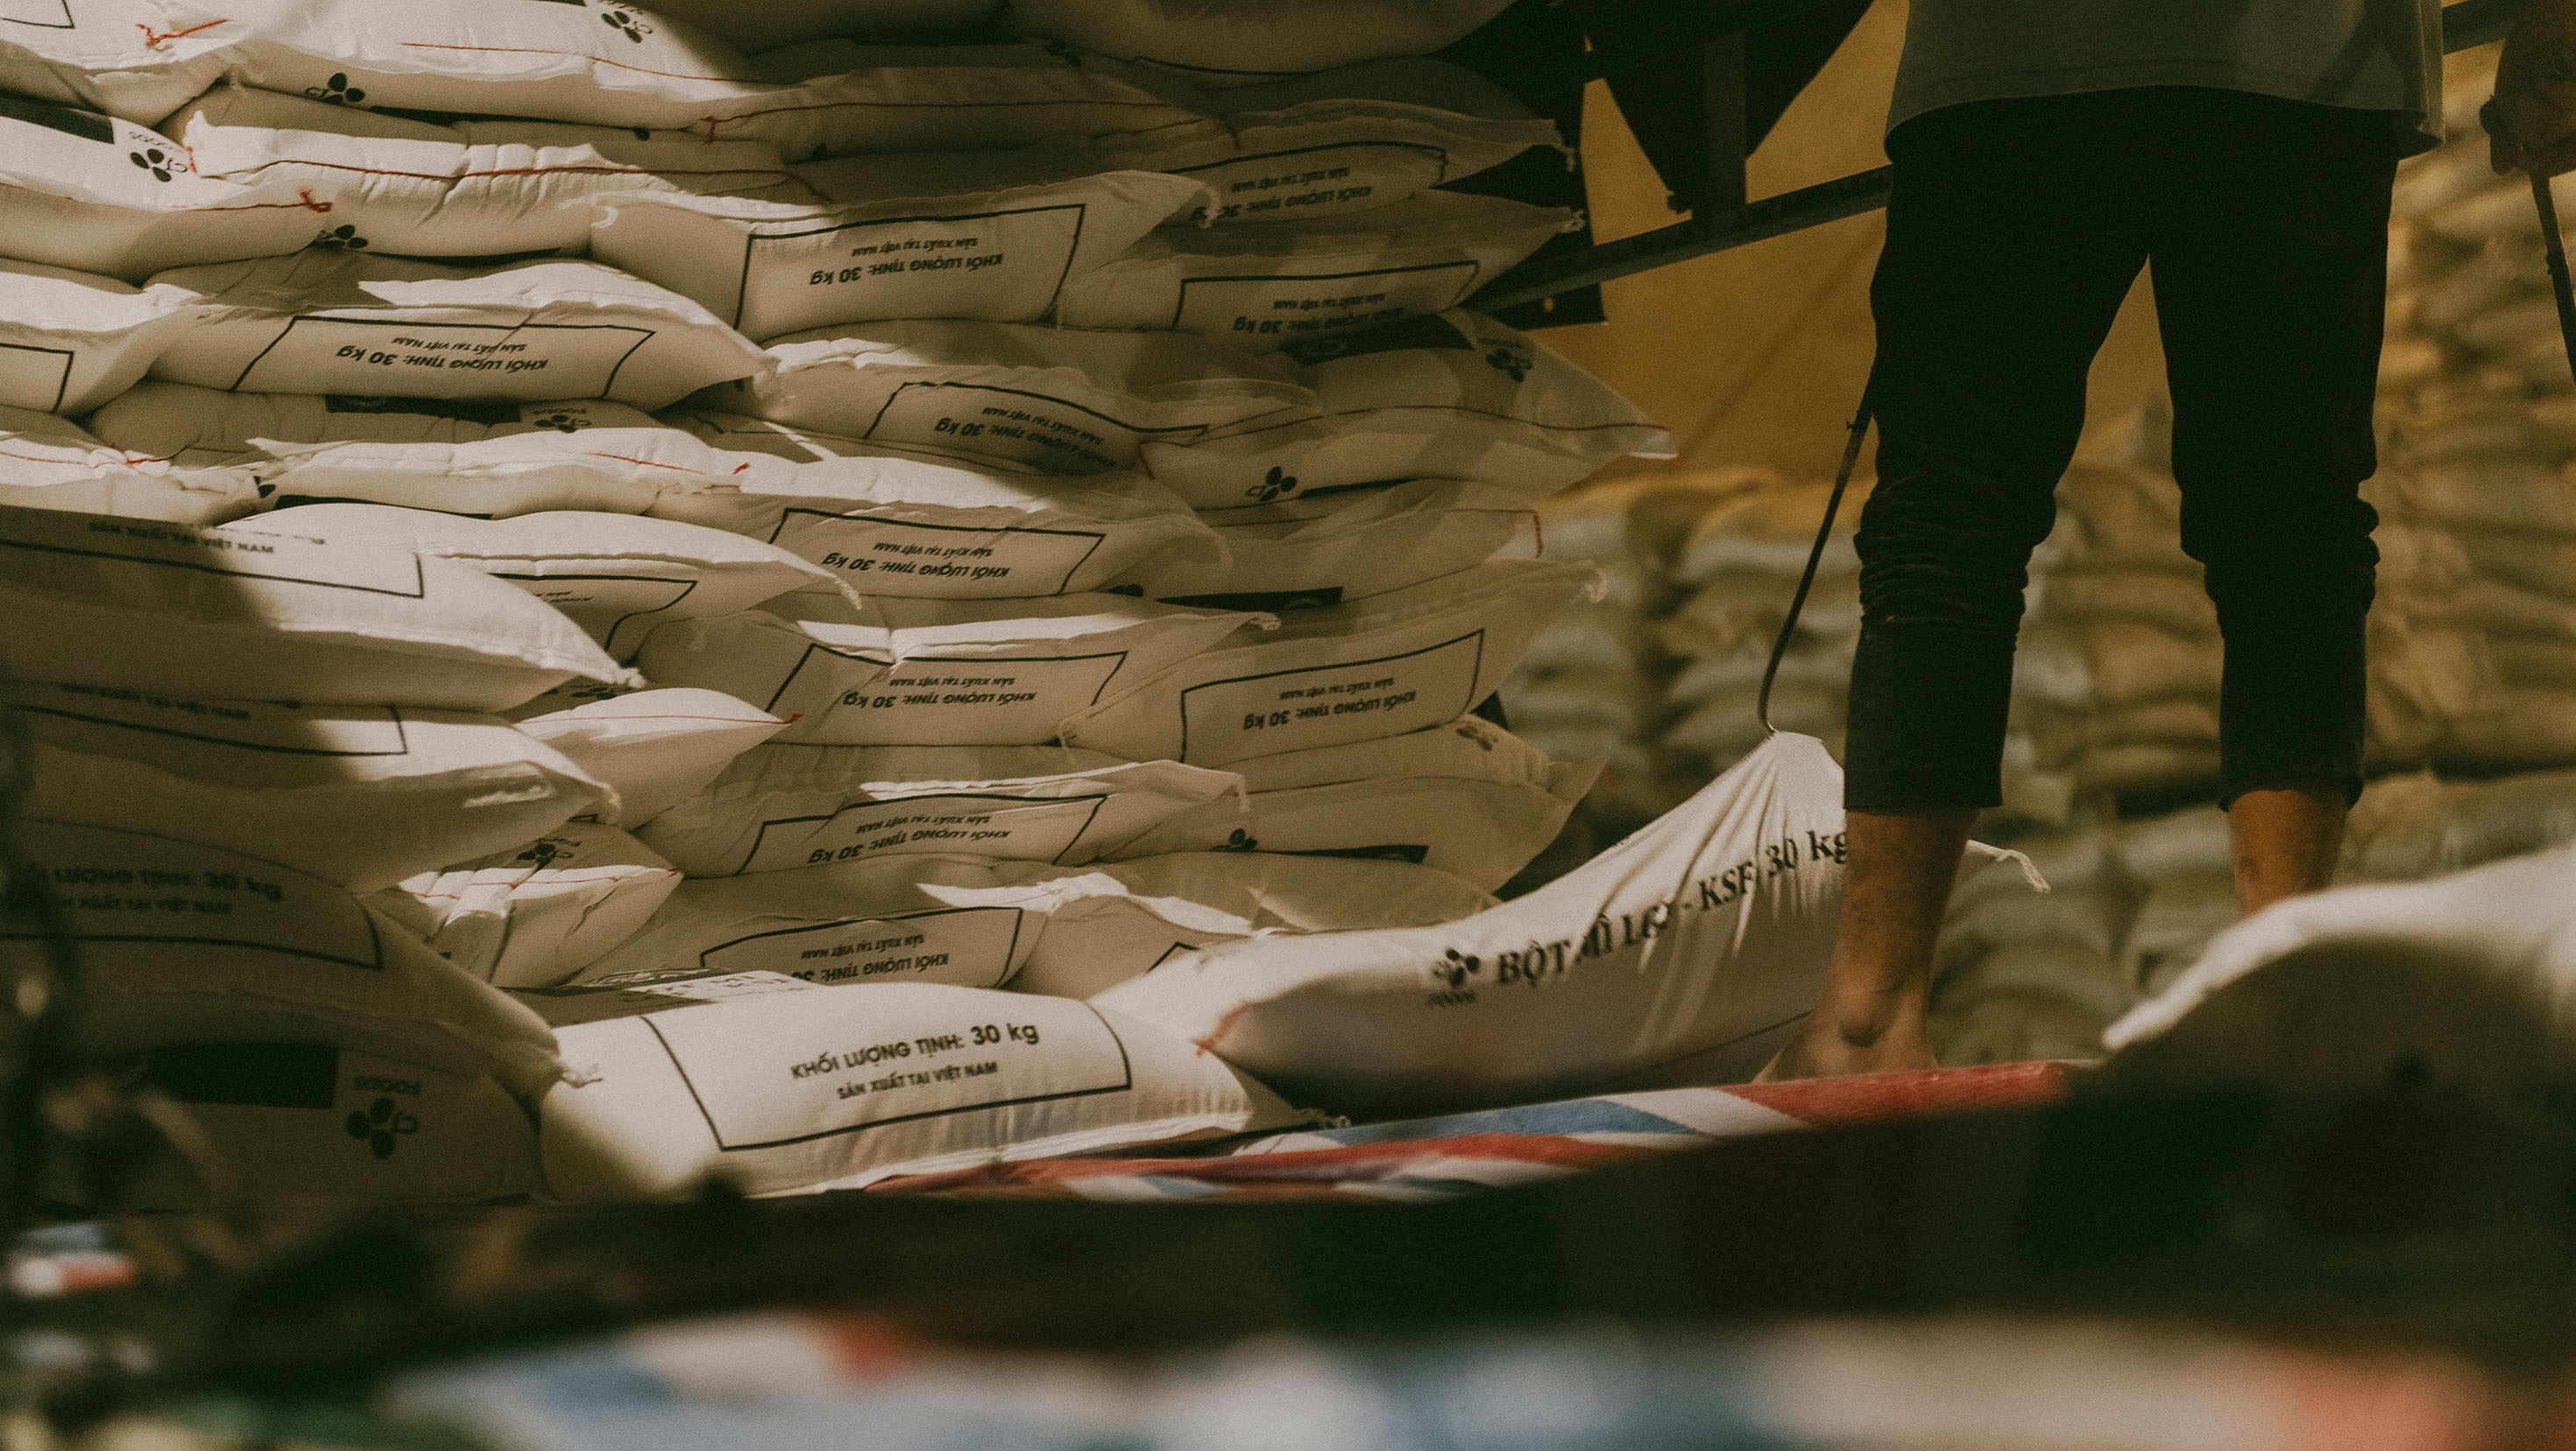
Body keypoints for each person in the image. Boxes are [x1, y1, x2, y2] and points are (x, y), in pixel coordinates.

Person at [1756, 0, 2576, 1082]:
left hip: (2017, 59)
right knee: (2288, 522)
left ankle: (1867, 1022)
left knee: (1952, 514)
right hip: (2303, 65)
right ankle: (2289, 999)